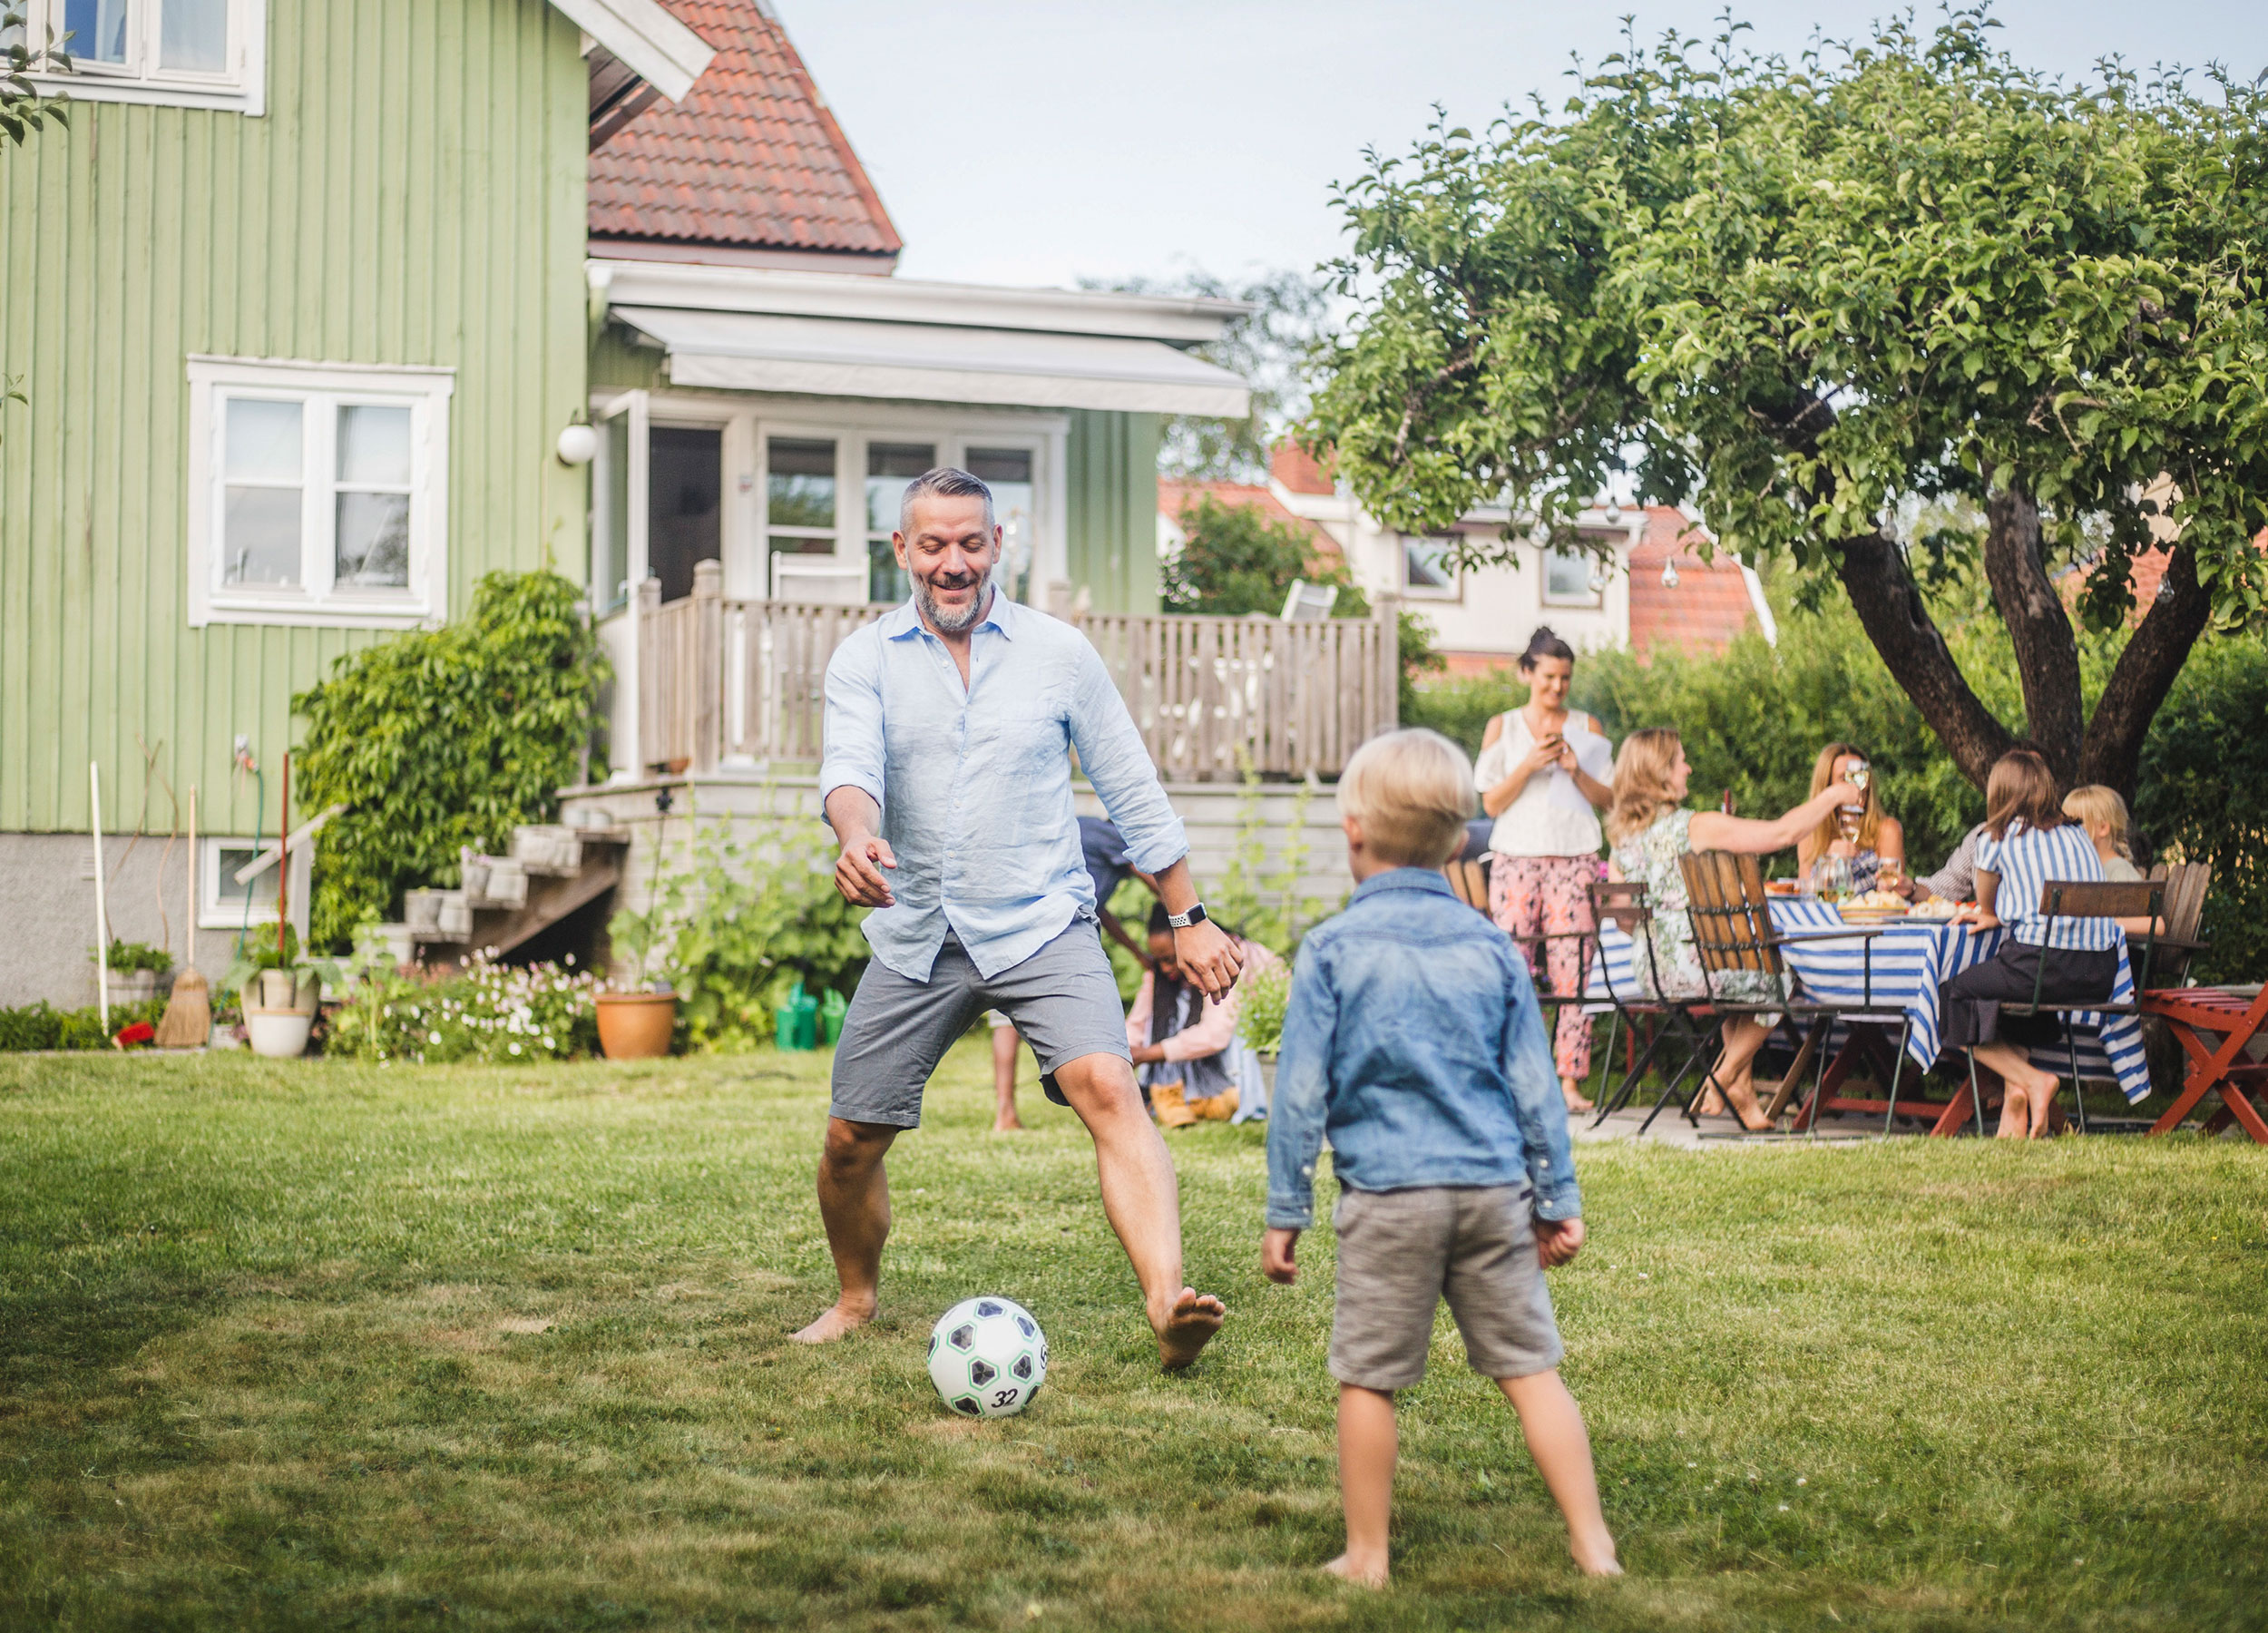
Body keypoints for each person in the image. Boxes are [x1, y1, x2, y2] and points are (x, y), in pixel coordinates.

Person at [804, 466, 1242, 1370]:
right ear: (902, 549)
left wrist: (1189, 915)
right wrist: (856, 837)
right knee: (851, 1141)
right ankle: (854, 1298)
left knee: (1111, 1087)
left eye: (971, 543)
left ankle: (1169, 1305)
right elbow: (850, 770)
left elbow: (1131, 788)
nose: (953, 563)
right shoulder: (865, 658)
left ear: (998, 544)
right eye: (934, 545)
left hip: (1041, 921)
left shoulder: (1058, 654)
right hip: (920, 928)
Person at [1261, 728, 1618, 1587]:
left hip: (1388, 1199)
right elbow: (1536, 1089)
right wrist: (1556, 1199)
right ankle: (1593, 1544)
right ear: (1460, 841)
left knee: (1368, 1379)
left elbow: (1299, 1096)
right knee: (1532, 1371)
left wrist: (1286, 1212)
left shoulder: (1332, 950)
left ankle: (1368, 1556)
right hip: (1493, 1195)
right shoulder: (1493, 948)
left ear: (1352, 830)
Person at [1604, 728, 1862, 1131]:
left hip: (1651, 971)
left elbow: (1623, 918)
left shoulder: (1622, 841)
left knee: (1740, 983)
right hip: (1698, 966)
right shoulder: (1694, 826)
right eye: (1681, 761)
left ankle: (1742, 1092)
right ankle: (1721, 1079)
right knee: (1779, 980)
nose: (1688, 768)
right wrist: (1833, 796)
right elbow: (1781, 834)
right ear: (1661, 773)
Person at [1942, 750, 2118, 1139]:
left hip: (2044, 966)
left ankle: (2033, 1081)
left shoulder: (1997, 836)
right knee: (2010, 1004)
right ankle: (2015, 1110)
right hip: (2100, 971)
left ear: (1998, 792)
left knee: (1953, 996)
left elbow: (1985, 901)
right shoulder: (2077, 832)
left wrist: (1991, 913)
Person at [1474, 626, 1614, 1113]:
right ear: (1526, 673)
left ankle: (1569, 1082)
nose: (1558, 687)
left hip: (1575, 857)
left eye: (1566, 678)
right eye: (1549, 677)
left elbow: (1610, 799)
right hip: (1516, 858)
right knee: (1511, 970)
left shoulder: (1587, 726)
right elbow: (1491, 803)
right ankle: (1510, 1080)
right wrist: (1529, 765)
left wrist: (1575, 770)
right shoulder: (1503, 727)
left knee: (1574, 970)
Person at [991, 816, 1159, 1131]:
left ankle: (1005, 1112)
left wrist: (1137, 953)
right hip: (1056, 934)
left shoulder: (1083, 833)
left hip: (1015, 919)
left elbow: (1100, 910)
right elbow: (1151, 875)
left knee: (1005, 1015)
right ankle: (1110, 1105)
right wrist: (1185, 912)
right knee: (1086, 1021)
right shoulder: (1114, 836)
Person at [1127, 900, 1282, 1127]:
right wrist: (1123, 1055)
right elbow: (1136, 1024)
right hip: (1204, 1049)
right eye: (1158, 961)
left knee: (1233, 1024)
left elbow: (1215, 1035)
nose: (1165, 969)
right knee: (1165, 1011)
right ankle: (1176, 1093)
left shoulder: (1226, 956)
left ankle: (1223, 1097)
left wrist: (1146, 1054)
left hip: (1253, 1049)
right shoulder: (1161, 974)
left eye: (1169, 959)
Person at [1795, 741, 1905, 894]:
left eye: (1861, 775)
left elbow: (1891, 897)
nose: (1856, 784)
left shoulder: (1887, 830)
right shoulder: (1810, 833)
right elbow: (1805, 894)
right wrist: (1831, 864)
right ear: (1826, 786)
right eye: (1844, 777)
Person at [2063, 785, 2142, 882]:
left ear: (2103, 828)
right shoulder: (2089, 869)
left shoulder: (2121, 873)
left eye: (2075, 823)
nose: (2065, 829)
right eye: (2065, 823)